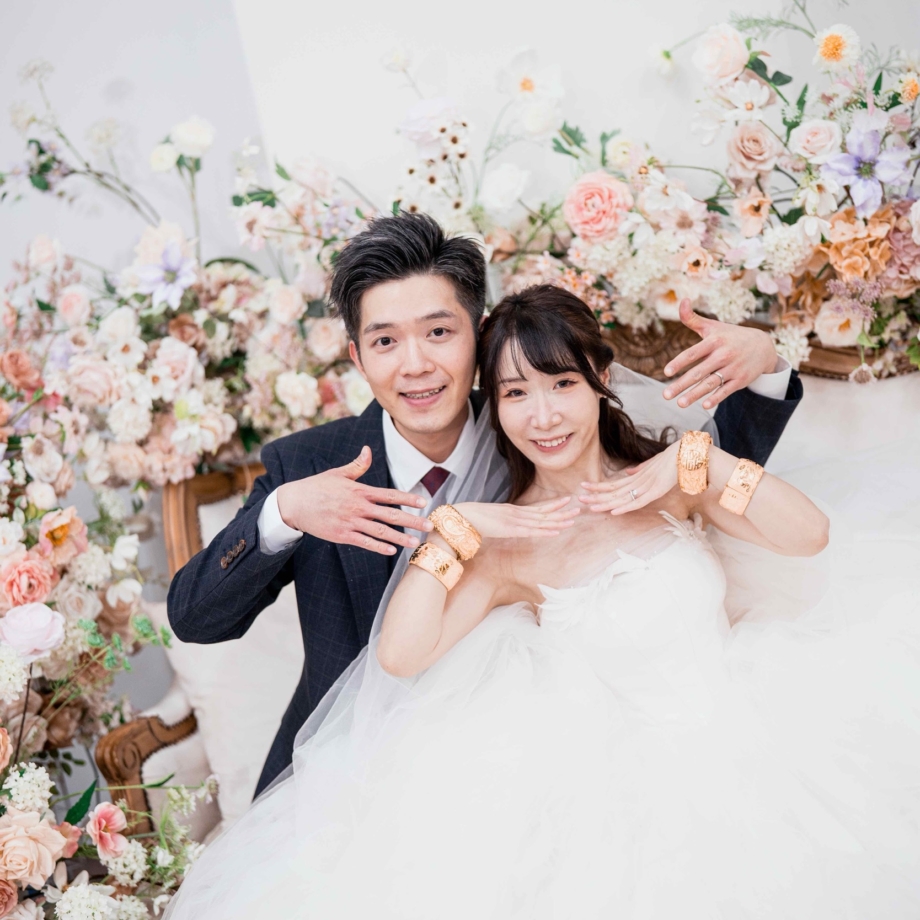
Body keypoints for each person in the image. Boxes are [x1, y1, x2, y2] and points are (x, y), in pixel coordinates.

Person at [165, 285, 920, 919]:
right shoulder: (503, 542)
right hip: (617, 792)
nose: (544, 415)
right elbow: (398, 655)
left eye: (562, 385)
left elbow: (808, 536)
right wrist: (454, 529)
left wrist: (703, 459)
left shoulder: (669, 477)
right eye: (517, 394)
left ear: (601, 380)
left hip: (754, 734)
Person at [166, 212, 802, 795]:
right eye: (385, 342)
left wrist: (766, 361)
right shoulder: (307, 466)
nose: (416, 365)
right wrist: (282, 513)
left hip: (510, 772)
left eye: (439, 332)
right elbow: (196, 620)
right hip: (346, 772)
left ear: (478, 336)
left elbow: (700, 473)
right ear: (356, 356)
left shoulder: (539, 427)